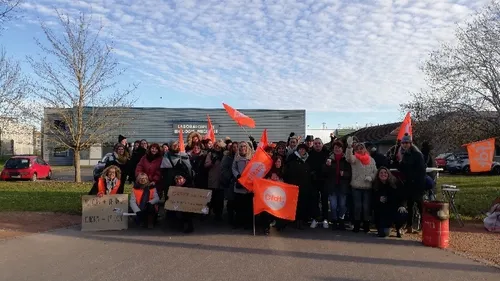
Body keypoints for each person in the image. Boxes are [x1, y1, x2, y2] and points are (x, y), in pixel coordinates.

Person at [346, 136, 378, 233]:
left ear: (365, 149)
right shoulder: (355, 158)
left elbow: (375, 172)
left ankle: (366, 225)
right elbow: (348, 157)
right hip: (356, 186)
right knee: (357, 206)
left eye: (362, 148)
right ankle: (356, 225)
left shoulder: (371, 160)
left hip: (367, 187)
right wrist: (349, 147)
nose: (360, 150)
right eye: (358, 148)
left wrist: (371, 178)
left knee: (366, 206)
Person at [397, 133, 426, 234]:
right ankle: (409, 226)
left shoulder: (417, 154)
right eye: (403, 143)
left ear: (410, 143)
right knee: (409, 205)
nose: (404, 145)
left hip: (417, 183)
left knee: (420, 205)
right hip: (409, 183)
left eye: (406, 143)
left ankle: (424, 226)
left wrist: (416, 180)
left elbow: (422, 170)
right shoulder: (404, 154)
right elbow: (403, 168)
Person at [284, 143, 314, 229]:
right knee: (295, 204)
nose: (302, 151)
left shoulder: (308, 160)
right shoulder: (293, 158)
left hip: (305, 186)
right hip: (294, 186)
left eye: (303, 149)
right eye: (300, 149)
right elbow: (288, 172)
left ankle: (301, 221)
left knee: (303, 204)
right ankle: (294, 220)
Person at [323, 141, 351, 230]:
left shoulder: (346, 159)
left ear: (342, 149)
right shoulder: (329, 159)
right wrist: (327, 166)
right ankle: (335, 220)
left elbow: (350, 173)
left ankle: (341, 220)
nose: (337, 149)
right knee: (333, 205)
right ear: (333, 149)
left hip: (343, 186)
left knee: (342, 205)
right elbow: (324, 173)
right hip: (332, 186)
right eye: (335, 148)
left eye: (339, 148)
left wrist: (344, 174)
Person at [372, 167, 407, 238]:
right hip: (382, 212)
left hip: (395, 208)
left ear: (388, 174)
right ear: (378, 175)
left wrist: (402, 205)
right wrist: (378, 200)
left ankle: (399, 228)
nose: (383, 174)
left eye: (385, 172)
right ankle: (384, 227)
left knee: (403, 213)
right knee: (384, 234)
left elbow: (403, 196)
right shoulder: (375, 186)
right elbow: (373, 202)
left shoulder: (395, 183)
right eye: (381, 173)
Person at [232, 141, 254, 229]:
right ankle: (238, 222)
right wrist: (238, 175)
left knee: (248, 207)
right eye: (241, 146)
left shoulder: (252, 157)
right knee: (239, 206)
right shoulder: (237, 157)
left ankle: (248, 224)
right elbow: (233, 167)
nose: (242, 148)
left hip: (249, 185)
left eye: (244, 146)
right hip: (240, 184)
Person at [204, 140, 226, 221]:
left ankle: (218, 215)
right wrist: (212, 162)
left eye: (219, 145)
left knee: (220, 199)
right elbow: (206, 165)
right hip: (213, 178)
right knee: (211, 198)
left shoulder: (224, 154)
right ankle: (208, 213)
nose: (217, 146)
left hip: (221, 179)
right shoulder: (210, 153)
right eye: (216, 145)